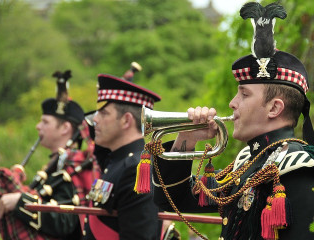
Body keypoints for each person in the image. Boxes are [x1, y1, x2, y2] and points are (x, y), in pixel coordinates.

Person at [152, 2, 314, 240]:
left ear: (274, 108)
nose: (232, 103)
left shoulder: (299, 168)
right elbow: (172, 199)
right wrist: (186, 140)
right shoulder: (246, 164)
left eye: (244, 94)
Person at [0, 70, 96, 240]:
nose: (37, 126)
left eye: (45, 122)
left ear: (65, 128)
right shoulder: (56, 165)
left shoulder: (73, 166)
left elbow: (67, 221)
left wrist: (21, 202)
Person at [82, 64, 163, 240]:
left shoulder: (136, 169)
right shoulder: (116, 162)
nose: (94, 119)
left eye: (103, 113)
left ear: (126, 121)